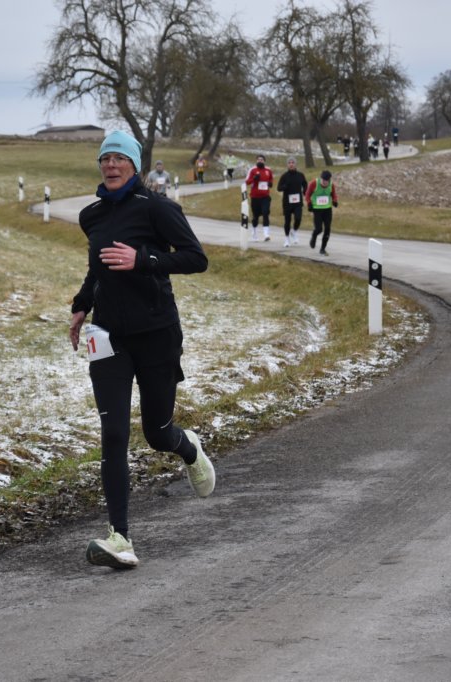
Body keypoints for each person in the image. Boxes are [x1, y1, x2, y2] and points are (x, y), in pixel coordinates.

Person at [69, 130, 215, 570]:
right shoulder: (92, 215)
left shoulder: (157, 208)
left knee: (156, 433)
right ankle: (121, 538)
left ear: (134, 166)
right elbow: (97, 269)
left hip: (156, 334)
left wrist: (144, 260)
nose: (111, 165)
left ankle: (187, 447)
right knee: (114, 433)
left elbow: (195, 258)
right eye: (105, 159)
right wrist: (81, 305)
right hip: (107, 337)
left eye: (119, 158)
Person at [275, 156, 307, 248]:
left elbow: (305, 184)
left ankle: (294, 231)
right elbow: (279, 188)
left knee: (298, 218)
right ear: (287, 165)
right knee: (287, 221)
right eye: (289, 163)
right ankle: (287, 239)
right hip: (287, 202)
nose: (291, 164)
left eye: (293, 163)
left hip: (297, 202)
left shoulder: (300, 175)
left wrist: (305, 191)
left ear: (295, 164)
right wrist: (285, 186)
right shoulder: (284, 176)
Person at [306, 170, 339, 256]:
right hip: (317, 209)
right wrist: (309, 203)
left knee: (327, 228)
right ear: (321, 178)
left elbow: (333, 194)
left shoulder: (331, 185)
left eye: (326, 181)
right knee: (319, 229)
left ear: (329, 180)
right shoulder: (314, 183)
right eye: (323, 180)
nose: (325, 182)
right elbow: (307, 195)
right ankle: (314, 236)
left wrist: (335, 201)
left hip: (327, 209)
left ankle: (322, 249)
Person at [243, 154, 273, 242]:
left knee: (265, 213)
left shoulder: (268, 170)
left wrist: (270, 183)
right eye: (258, 160)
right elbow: (247, 182)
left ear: (264, 161)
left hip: (265, 196)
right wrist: (254, 178)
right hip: (255, 197)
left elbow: (271, 179)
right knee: (255, 216)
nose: (260, 161)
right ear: (256, 161)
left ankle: (266, 234)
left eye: (262, 160)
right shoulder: (252, 170)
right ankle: (254, 233)